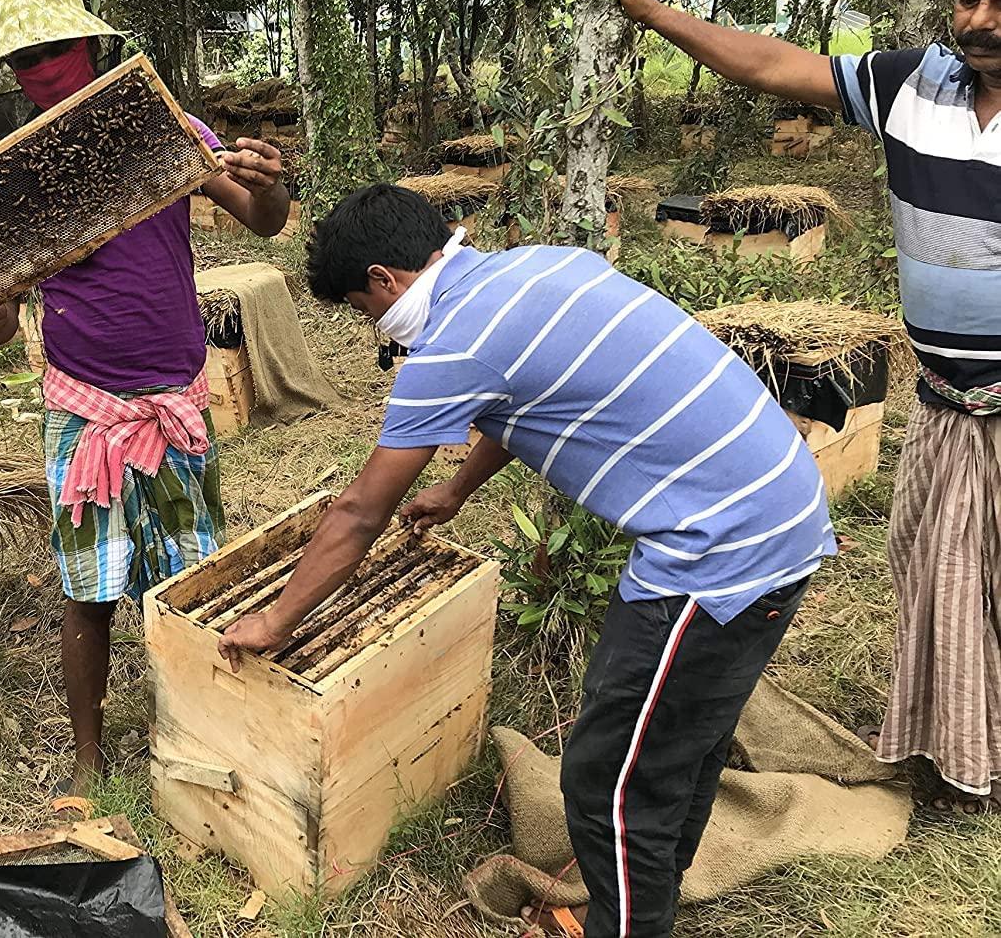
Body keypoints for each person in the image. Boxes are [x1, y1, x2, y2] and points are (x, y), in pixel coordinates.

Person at [219, 185, 834, 937]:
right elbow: (526, 400)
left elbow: (358, 513)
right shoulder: (534, 269)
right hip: (782, 502)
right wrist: (455, 487)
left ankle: (631, 919)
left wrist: (277, 618)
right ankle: (648, 896)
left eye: (362, 307)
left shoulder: (451, 347)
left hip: (723, 547)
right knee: (681, 742)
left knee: (607, 779)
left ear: (384, 279)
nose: (373, 324)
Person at [609, 0, 1001, 814]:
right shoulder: (914, 84)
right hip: (948, 402)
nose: (977, 20)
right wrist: (657, 13)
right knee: (941, 573)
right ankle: (963, 754)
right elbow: (773, 63)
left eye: (998, 3)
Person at [0, 0, 291, 795]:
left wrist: (272, 180)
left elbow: (265, 219)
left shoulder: (166, 128)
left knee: (188, 580)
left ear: (94, 45)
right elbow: (3, 315)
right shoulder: (13, 180)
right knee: (88, 587)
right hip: (83, 406)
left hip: (174, 396)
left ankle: (200, 728)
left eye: (54, 48)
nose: (43, 69)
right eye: (24, 59)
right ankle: (89, 759)